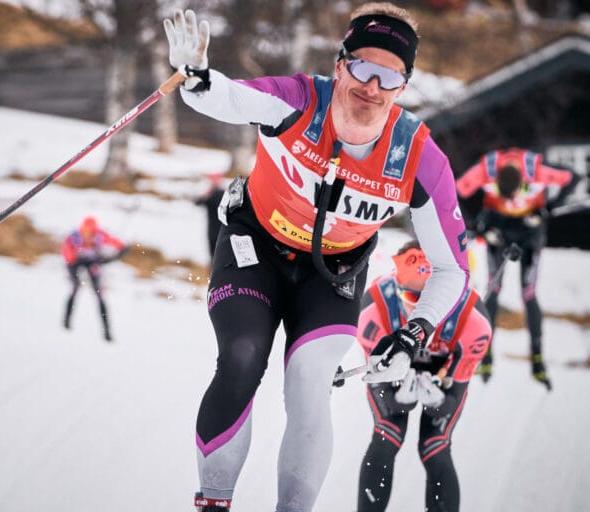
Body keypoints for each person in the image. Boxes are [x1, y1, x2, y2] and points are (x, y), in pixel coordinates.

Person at [163, 4, 470, 511]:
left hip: (334, 273)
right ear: (340, 63)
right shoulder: (300, 100)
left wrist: (414, 333)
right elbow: (233, 99)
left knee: (309, 382)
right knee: (242, 353)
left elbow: (452, 268)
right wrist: (197, 79)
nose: (371, 86)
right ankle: (214, 502)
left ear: (403, 86)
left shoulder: (418, 158)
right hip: (254, 246)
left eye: (389, 76)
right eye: (363, 67)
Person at [351, 240, 491, 512]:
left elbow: (454, 398)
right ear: (396, 286)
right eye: (413, 297)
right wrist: (397, 401)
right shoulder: (373, 309)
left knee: (435, 445)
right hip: (397, 373)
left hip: (442, 372)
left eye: (434, 298)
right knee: (386, 434)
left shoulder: (475, 321)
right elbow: (382, 391)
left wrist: (439, 401)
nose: (421, 309)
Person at [456, 147, 578, 390]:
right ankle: (486, 354)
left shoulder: (536, 170)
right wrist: (477, 224)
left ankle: (537, 356)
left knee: (528, 292)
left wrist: (549, 208)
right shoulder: (486, 170)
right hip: (498, 229)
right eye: (504, 194)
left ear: (524, 181)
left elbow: (572, 178)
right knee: (494, 287)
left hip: (529, 228)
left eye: (517, 192)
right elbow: (457, 190)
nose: (512, 199)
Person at [61, 216, 127, 342]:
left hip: (92, 265)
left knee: (99, 295)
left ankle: (106, 331)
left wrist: (114, 256)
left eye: (92, 232)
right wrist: (79, 259)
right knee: (75, 289)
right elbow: (68, 257)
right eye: (86, 232)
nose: (89, 235)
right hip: (75, 264)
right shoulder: (74, 238)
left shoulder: (100, 236)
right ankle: (66, 321)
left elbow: (119, 244)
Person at [194, 172, 226, 262]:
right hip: (212, 229)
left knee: (219, 255)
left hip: (221, 228)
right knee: (213, 255)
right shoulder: (210, 194)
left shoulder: (221, 193)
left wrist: (208, 194)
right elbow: (197, 203)